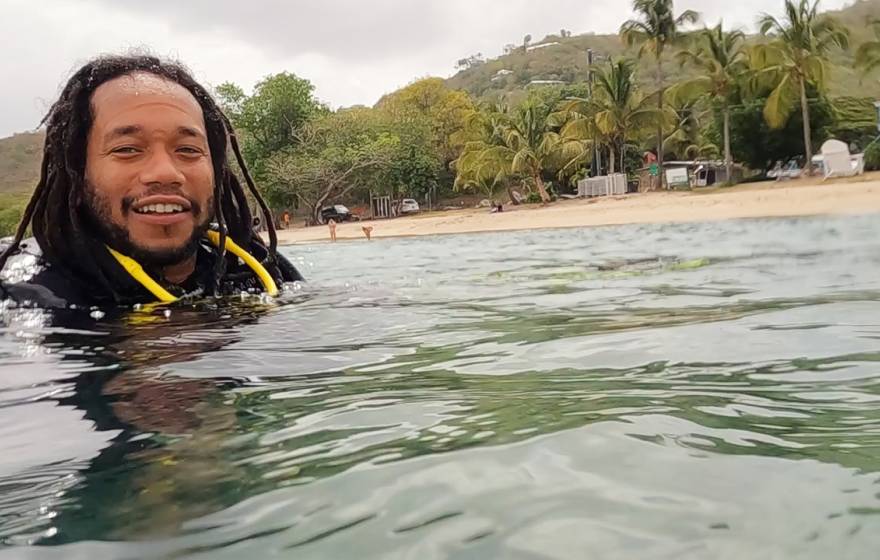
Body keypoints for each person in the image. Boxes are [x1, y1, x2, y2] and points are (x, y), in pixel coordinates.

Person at [0, 55, 302, 308]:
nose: (165, 173)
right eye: (127, 149)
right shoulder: (22, 293)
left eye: (187, 150)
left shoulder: (255, 270)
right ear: (77, 177)